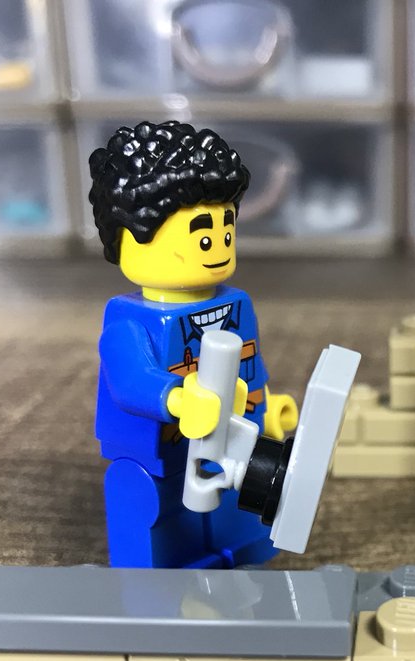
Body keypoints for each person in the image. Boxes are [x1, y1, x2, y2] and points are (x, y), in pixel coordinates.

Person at [89, 120, 297, 568]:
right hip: (158, 455)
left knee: (239, 515)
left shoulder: (235, 303)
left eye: (226, 232)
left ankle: (238, 562)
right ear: (130, 236)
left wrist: (267, 408)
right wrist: (179, 400)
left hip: (232, 445)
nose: (218, 246)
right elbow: (130, 380)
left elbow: (250, 367)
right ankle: (162, 586)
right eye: (203, 237)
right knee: (157, 521)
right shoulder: (132, 319)